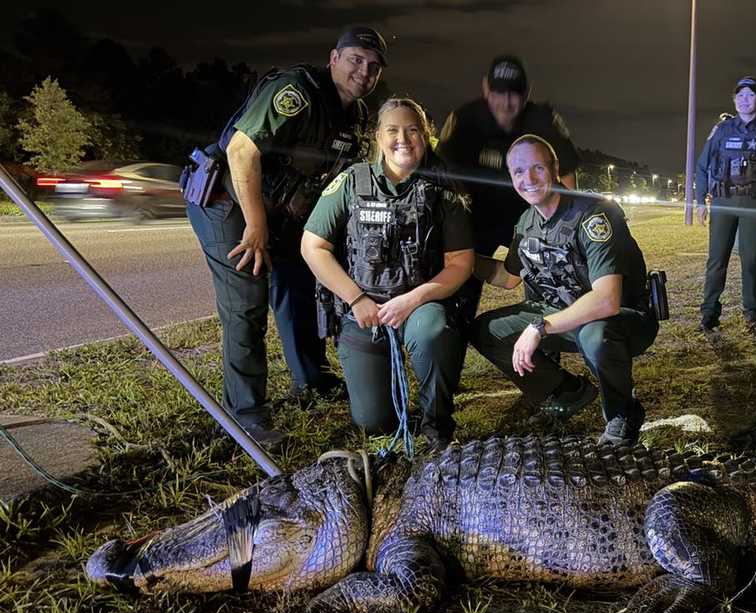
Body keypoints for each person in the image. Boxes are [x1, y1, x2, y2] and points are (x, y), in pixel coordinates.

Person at [185, 27, 386, 445]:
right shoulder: (296, 91)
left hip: (280, 211)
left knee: (299, 286)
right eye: (355, 60)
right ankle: (246, 416)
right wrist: (255, 226)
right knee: (247, 303)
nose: (363, 71)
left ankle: (313, 381)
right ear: (334, 58)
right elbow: (242, 150)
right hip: (229, 200)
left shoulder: (356, 114)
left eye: (373, 65)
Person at [300, 98, 473, 449]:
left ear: (426, 137)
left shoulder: (443, 189)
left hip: (419, 304)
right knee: (373, 422)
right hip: (364, 311)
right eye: (392, 130)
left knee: (433, 331)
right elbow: (312, 247)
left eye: (412, 130)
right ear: (378, 137)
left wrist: (414, 299)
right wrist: (356, 298)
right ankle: (389, 394)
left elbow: (460, 263)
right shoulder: (351, 182)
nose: (403, 139)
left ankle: (436, 420)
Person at [472, 135, 658, 446]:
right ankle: (566, 392)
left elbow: (607, 300)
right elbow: (508, 277)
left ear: (554, 168)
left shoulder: (594, 214)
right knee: (486, 331)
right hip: (562, 317)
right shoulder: (527, 222)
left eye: (537, 168)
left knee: (594, 334)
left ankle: (622, 413)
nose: (528, 179)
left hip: (622, 320)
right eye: (518, 172)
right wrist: (462, 260)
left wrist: (540, 327)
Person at [436, 55, 581, 320]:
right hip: (475, 215)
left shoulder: (544, 120)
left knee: (548, 287)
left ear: (527, 94)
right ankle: (454, 332)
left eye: (514, 95)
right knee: (459, 292)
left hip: (529, 217)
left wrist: (563, 228)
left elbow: (567, 176)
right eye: (498, 93)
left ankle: (544, 343)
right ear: (485, 88)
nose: (505, 103)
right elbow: (442, 176)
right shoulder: (465, 120)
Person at [695, 76, 756, 335]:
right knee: (716, 261)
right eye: (740, 95)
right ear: (734, 100)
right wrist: (700, 201)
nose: (744, 100)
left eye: (750, 95)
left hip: (754, 202)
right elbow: (702, 167)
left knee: (750, 261)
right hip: (723, 201)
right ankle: (709, 315)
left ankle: (752, 315)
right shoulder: (722, 130)